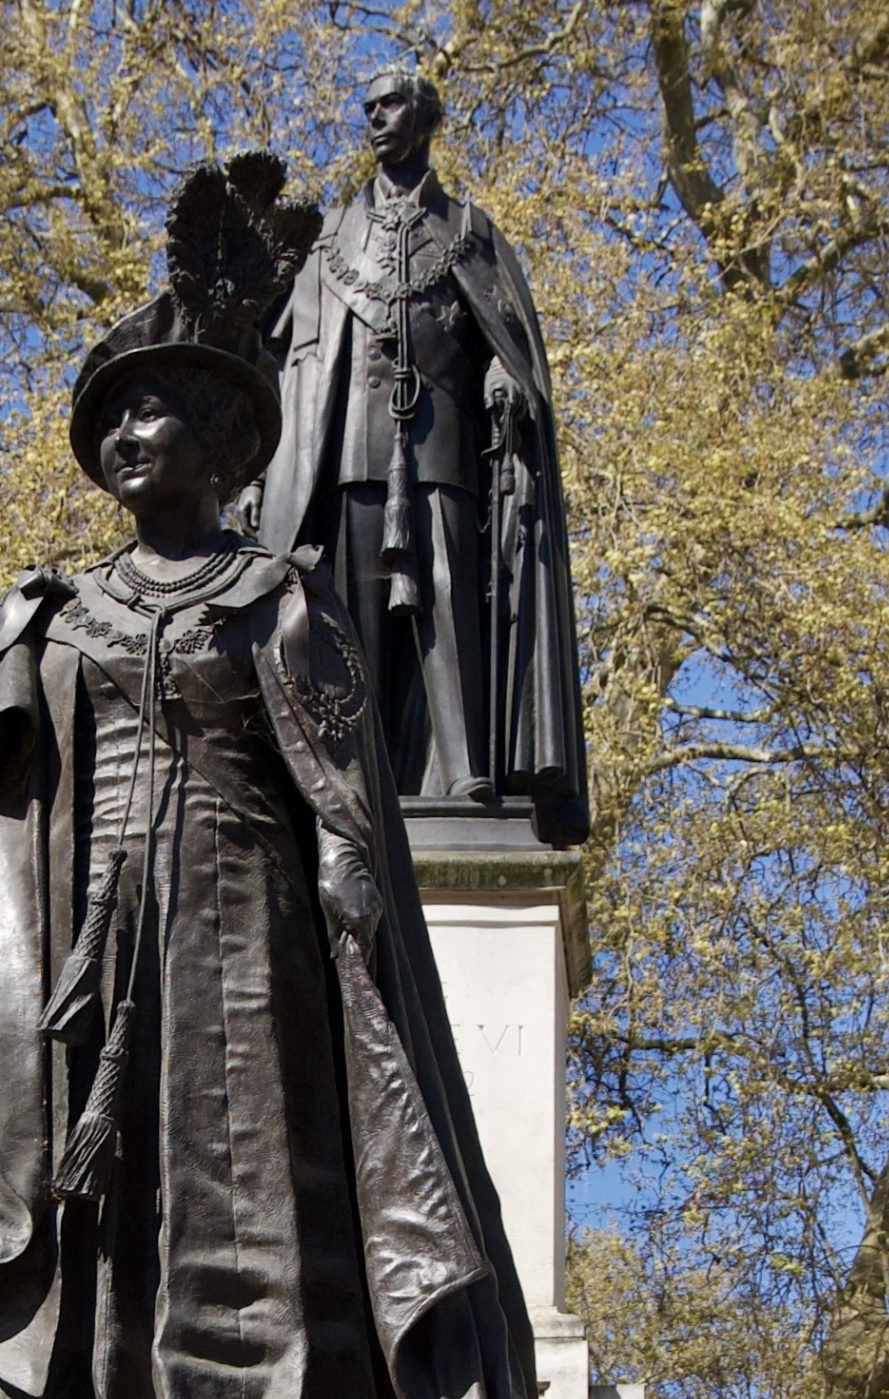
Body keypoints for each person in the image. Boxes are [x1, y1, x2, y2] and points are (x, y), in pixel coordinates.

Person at [0, 157, 554, 1399]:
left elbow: (336, 788)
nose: (133, 437)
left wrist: (345, 889)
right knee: (77, 1197)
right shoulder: (57, 613)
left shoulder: (270, 594)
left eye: (160, 415)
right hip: (73, 935)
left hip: (240, 927)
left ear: (214, 444)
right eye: (117, 418)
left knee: (244, 1186)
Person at [252, 67, 588, 843]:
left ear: (427, 116)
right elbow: (278, 361)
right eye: (366, 106)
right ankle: (350, 774)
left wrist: (506, 377)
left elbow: (506, 341)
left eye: (391, 104)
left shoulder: (469, 231)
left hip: (444, 454)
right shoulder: (328, 240)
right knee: (348, 619)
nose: (375, 118)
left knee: (444, 599)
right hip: (346, 461)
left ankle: (466, 769)